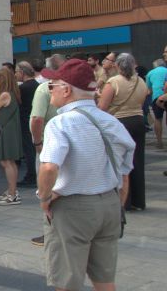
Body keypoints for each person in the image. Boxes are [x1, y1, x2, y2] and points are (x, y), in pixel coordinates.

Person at [38, 59, 134, 291]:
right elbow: (124, 173)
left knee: (67, 281)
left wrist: (44, 198)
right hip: (109, 203)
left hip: (74, 207)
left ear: (67, 90)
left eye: (53, 85)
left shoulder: (60, 123)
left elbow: (49, 167)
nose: (50, 90)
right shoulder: (112, 122)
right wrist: (117, 202)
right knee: (105, 280)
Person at [98, 53, 147, 211]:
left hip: (119, 122)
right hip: (138, 121)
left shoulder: (113, 82)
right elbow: (144, 97)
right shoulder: (141, 81)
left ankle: (124, 200)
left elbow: (102, 108)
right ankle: (138, 200)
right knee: (137, 160)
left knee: (119, 161)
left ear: (117, 66)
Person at [28, 55, 65, 247]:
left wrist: (37, 142)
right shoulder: (69, 87)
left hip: (48, 144)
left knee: (47, 186)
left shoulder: (44, 89)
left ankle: (50, 231)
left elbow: (36, 119)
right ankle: (60, 229)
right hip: (64, 144)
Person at [0, 67, 25, 206]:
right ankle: (12, 191)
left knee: (7, 162)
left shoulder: (5, 94)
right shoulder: (11, 92)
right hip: (10, 129)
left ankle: (12, 194)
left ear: (3, 79)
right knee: (9, 161)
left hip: (7, 130)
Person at [16, 62, 39, 187]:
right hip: (34, 119)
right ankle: (34, 173)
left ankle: (31, 174)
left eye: (17, 72)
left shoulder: (23, 88)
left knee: (29, 149)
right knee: (34, 148)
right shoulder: (36, 85)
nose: (16, 74)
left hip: (26, 120)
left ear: (22, 72)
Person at [145, 57, 167, 148]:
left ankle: (159, 142)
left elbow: (148, 90)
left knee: (158, 119)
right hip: (166, 96)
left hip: (156, 98)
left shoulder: (150, 73)